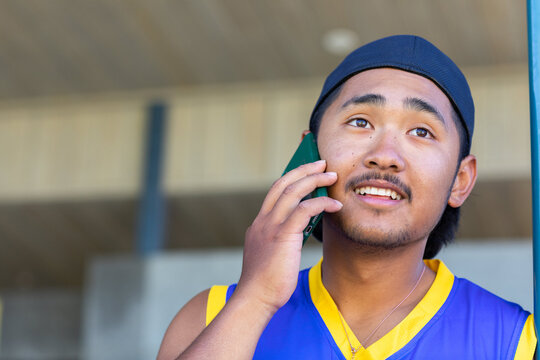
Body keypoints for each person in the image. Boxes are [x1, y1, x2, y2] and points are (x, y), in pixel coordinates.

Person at [157, 35, 537, 360]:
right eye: (360, 122)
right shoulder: (207, 318)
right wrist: (256, 300)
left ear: (460, 179)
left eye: (421, 132)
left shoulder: (516, 342)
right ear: (308, 154)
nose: (385, 154)